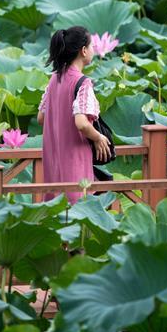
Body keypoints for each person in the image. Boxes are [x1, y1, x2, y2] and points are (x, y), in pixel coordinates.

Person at [37, 26, 111, 204]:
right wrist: (98, 138)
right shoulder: (82, 82)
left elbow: (41, 118)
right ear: (83, 51)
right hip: (75, 162)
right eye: (91, 45)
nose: (93, 49)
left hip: (53, 163)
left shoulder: (55, 78)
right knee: (78, 211)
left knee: (56, 214)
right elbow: (82, 123)